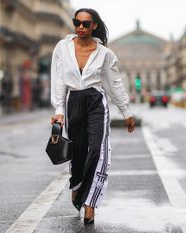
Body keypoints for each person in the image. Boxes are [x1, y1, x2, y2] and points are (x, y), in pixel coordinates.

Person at [50, 8, 136, 225]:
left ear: (94, 25)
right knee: (77, 152)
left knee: (97, 150)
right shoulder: (63, 48)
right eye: (76, 22)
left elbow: (115, 84)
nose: (80, 27)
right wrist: (58, 111)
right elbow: (58, 80)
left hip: (96, 101)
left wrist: (126, 111)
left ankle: (91, 203)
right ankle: (77, 185)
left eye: (85, 24)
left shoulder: (105, 54)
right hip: (74, 100)